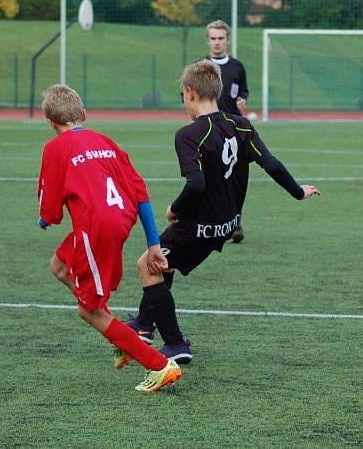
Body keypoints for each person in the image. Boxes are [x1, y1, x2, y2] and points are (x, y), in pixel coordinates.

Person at [127, 60, 320, 364]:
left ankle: (176, 344)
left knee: (147, 263)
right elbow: (271, 164)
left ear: (190, 92)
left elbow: (196, 183)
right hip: (227, 226)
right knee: (166, 261)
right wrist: (298, 192)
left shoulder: (189, 134)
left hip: (199, 226)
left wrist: (174, 208)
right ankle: (143, 325)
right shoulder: (242, 124)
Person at [37, 84, 182, 394]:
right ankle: (121, 341)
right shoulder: (105, 141)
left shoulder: (54, 148)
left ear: (51, 123)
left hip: (96, 227)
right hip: (120, 219)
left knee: (88, 309)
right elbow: (140, 191)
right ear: (84, 114)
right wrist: (153, 242)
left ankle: (158, 365)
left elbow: (50, 210)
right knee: (59, 266)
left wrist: (44, 219)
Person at [204, 20, 250, 242]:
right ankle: (212, 222)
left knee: (237, 177)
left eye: (220, 38)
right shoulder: (200, 66)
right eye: (213, 38)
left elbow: (243, 92)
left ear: (227, 40)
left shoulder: (237, 67)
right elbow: (186, 94)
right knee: (210, 177)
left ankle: (236, 221)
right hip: (208, 130)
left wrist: (242, 101)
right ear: (208, 40)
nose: (217, 42)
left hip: (234, 130)